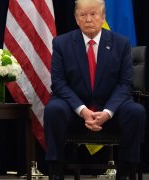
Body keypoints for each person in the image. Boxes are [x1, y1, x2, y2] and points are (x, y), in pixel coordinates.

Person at [43, 0, 146, 179]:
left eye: (93, 14)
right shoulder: (62, 43)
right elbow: (59, 83)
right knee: (53, 109)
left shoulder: (121, 43)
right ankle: (56, 172)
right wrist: (82, 110)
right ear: (76, 18)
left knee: (136, 112)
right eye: (83, 15)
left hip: (111, 112)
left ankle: (125, 173)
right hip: (74, 113)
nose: (88, 19)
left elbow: (125, 84)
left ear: (103, 17)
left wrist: (107, 112)